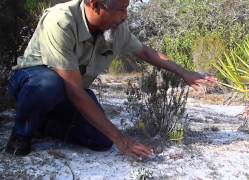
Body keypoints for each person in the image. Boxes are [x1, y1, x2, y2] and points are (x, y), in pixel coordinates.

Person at [6, 0, 217, 158]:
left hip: (72, 89)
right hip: (34, 80)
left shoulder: (116, 28)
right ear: (94, 4)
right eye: (120, 9)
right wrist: (121, 139)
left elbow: (146, 53)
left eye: (127, 7)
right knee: (48, 85)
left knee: (101, 140)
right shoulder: (61, 20)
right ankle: (21, 134)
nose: (125, 15)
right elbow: (75, 91)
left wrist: (184, 72)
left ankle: (42, 124)